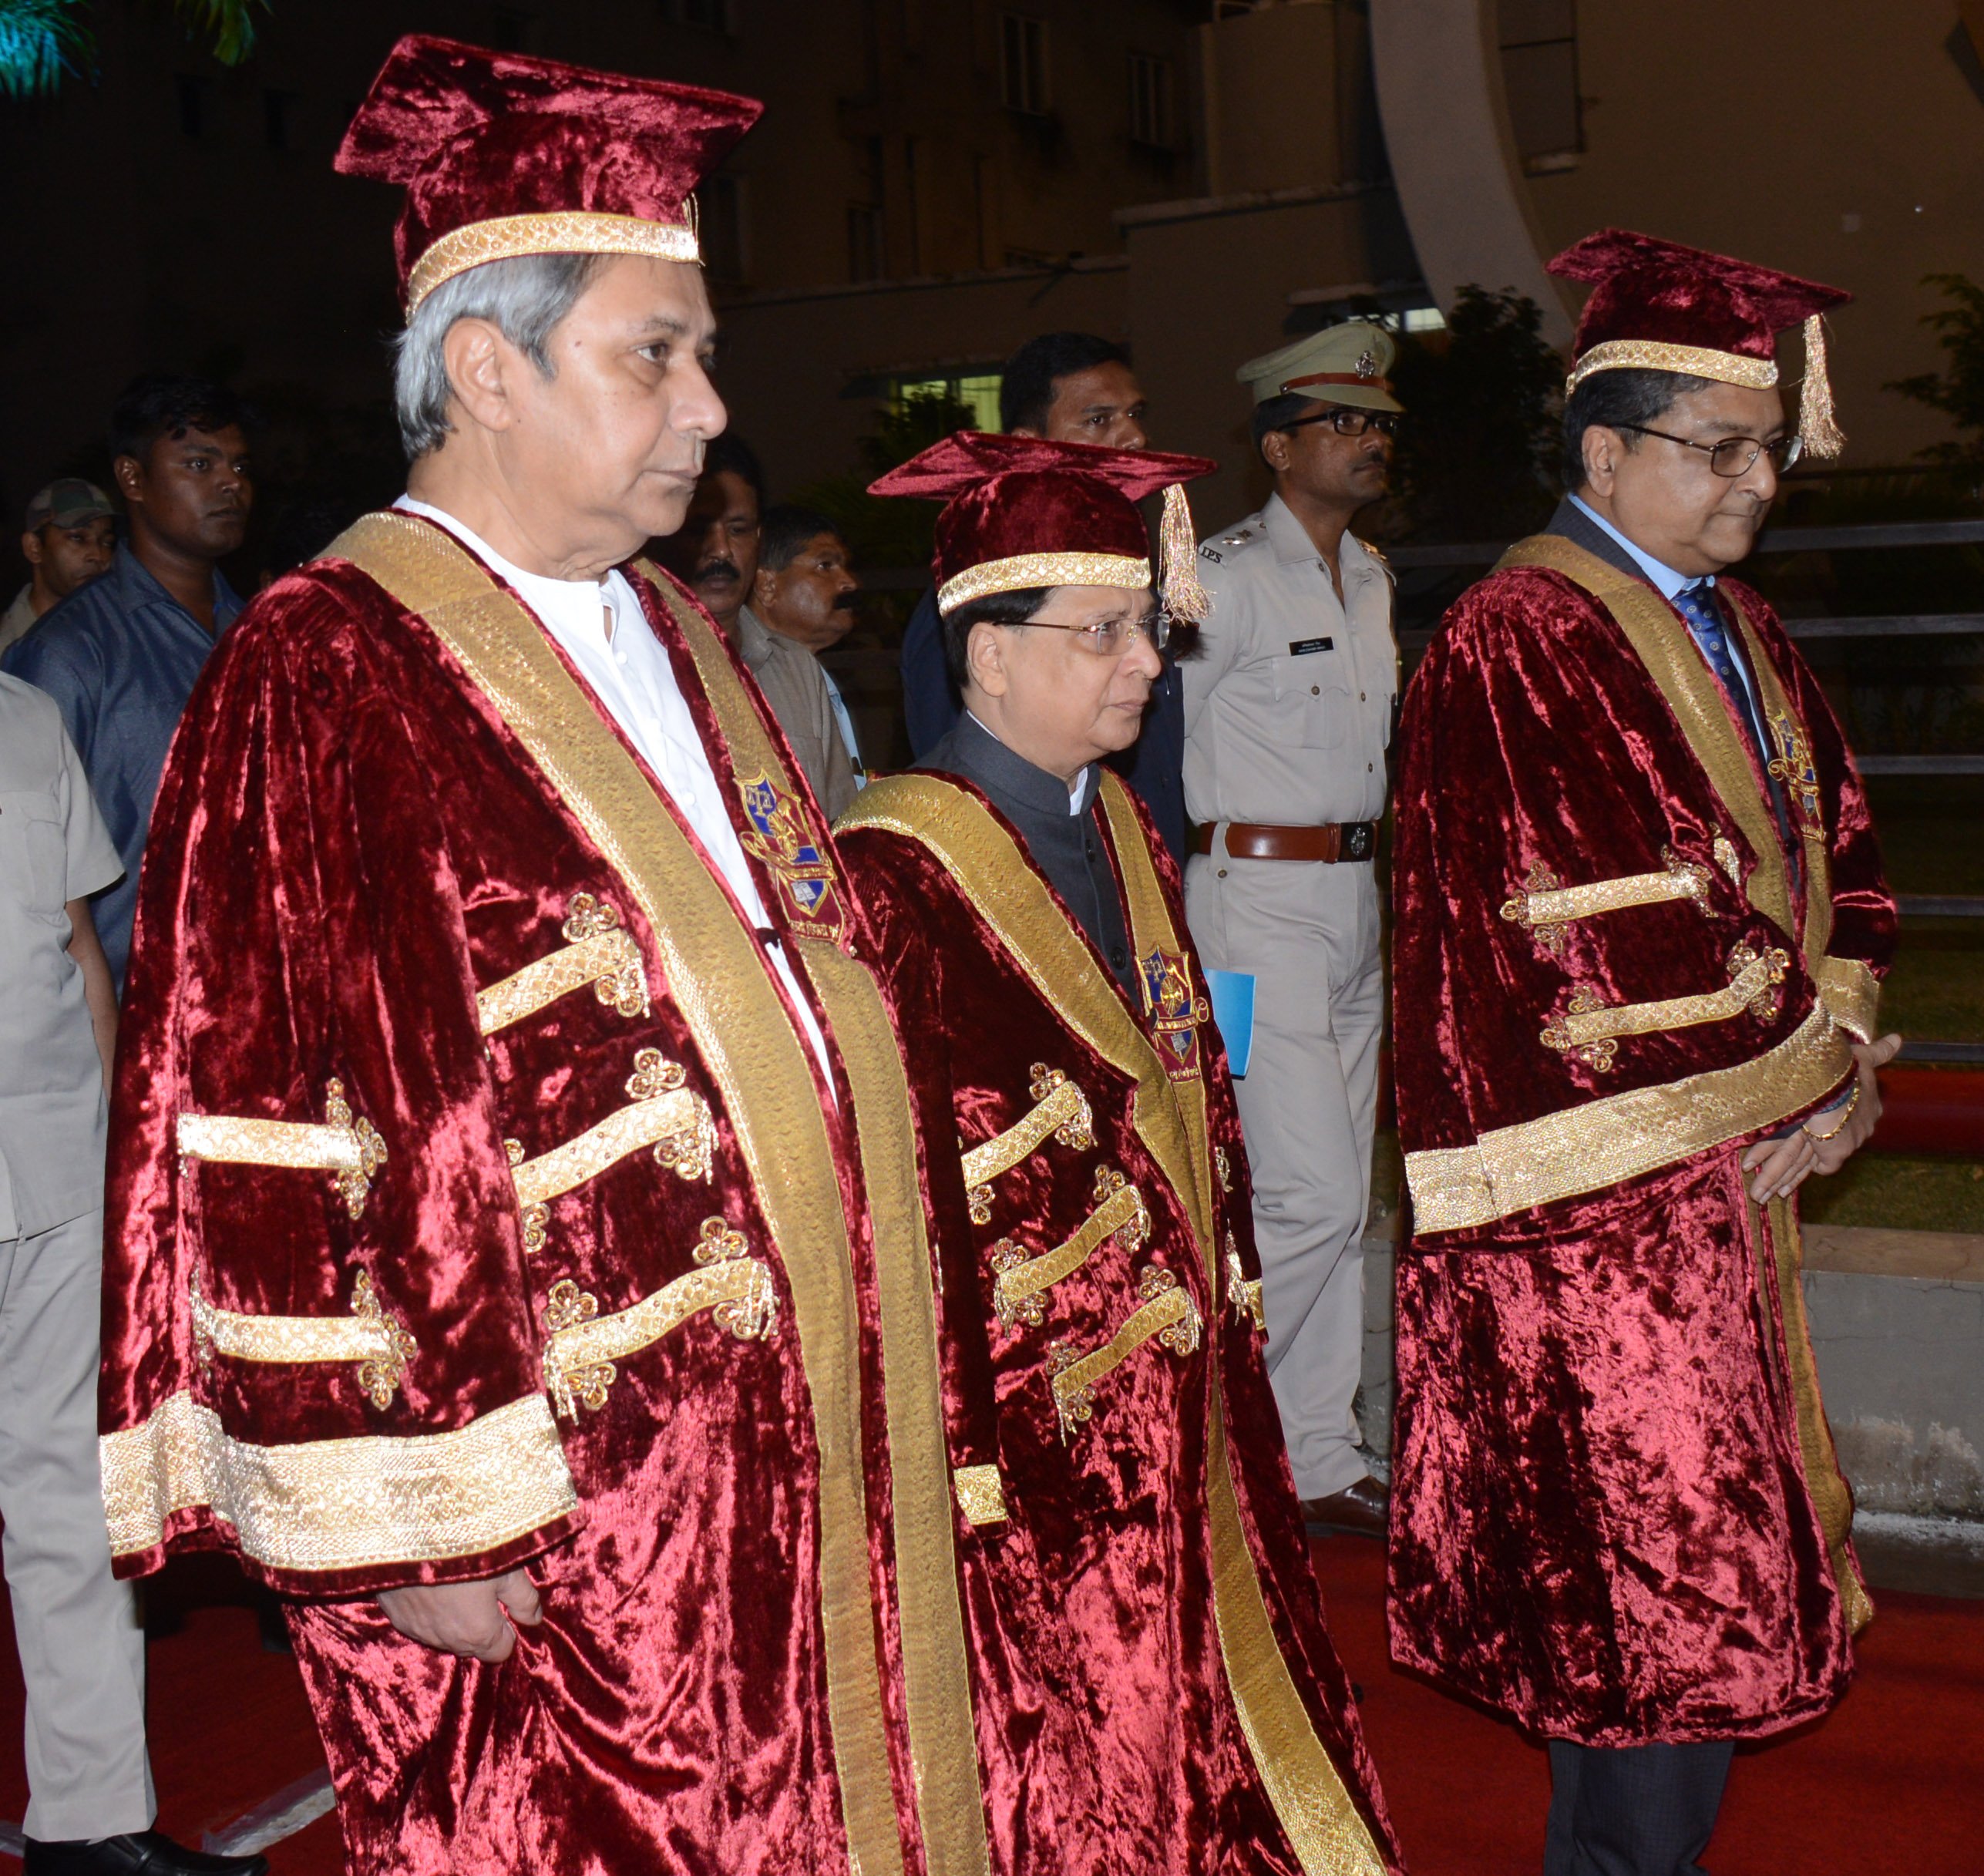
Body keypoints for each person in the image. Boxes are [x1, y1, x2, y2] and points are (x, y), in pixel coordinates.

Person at [96, 36, 993, 1876]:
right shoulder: (324, 663)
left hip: (789, 1422)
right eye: (652, 354)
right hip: (556, 1501)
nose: (703, 405)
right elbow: (256, 1126)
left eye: (700, 353)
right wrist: (410, 1520)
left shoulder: (679, 630)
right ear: (487, 369)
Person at [1388, 230, 1902, 1876]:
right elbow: (1604, 941)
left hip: (1719, 1198)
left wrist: (1852, 1051)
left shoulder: (1740, 630)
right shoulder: (1518, 636)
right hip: (1598, 1223)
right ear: (1605, 450)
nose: (1757, 481)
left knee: (1703, 1598)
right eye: (1720, 447)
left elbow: (1844, 859)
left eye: (1767, 449)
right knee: (1644, 1616)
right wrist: (1809, 1063)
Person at [837, 431, 1401, 1876]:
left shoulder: (1134, 831)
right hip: (1024, 1434)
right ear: (983, 659)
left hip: (1176, 1397)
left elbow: (1191, 1091)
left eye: (1144, 625)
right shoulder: (888, 876)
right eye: (1097, 632)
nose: (1144, 661)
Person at [0, 674, 264, 1876]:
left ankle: (87, 1825)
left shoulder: (24, 715)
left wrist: (126, 1159)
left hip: (52, 1159)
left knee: (72, 1499)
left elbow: (73, 947)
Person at [1179, 321, 1403, 1537]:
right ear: (1277, 446)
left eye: (1376, 424)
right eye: (1341, 423)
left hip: (1352, 907)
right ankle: (1218, 1431)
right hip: (1249, 915)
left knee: (1341, 1194)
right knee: (1304, 1191)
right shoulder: (1215, 577)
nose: (1367, 441)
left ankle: (1320, 1451)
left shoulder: (1368, 576)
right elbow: (1158, 750)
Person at [897, 334, 1191, 863]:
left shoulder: (1130, 593)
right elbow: (971, 788)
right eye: (1099, 420)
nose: (1134, 437)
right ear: (1025, 443)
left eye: (1135, 414)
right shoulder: (979, 603)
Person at [3, 378, 252, 993]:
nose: (231, 484)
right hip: (130, 1022)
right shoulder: (66, 653)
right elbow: (30, 880)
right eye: (199, 463)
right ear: (133, 480)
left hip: (259, 1015)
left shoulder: (262, 633)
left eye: (239, 465)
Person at [657, 439, 857, 815]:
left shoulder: (797, 670)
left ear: (759, 540)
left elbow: (838, 823)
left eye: (738, 530)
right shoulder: (637, 658)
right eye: (699, 529)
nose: (720, 550)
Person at [752, 503, 865, 807]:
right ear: (767, 585)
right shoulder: (747, 680)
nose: (848, 582)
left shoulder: (811, 672)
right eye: (824, 566)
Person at [2, 481, 116, 656]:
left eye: (107, 542)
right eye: (78, 538)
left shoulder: (117, 632)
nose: (99, 555)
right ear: (34, 547)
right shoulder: (8, 652)